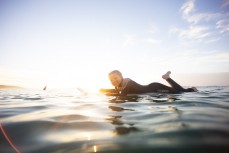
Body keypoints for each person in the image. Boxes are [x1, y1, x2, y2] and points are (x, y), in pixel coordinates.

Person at [100, 70, 197, 95]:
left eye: (115, 78)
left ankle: (192, 90)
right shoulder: (119, 86)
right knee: (178, 92)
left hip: (155, 88)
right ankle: (167, 78)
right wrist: (103, 90)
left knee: (179, 93)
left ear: (121, 77)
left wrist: (107, 94)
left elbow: (121, 95)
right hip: (153, 90)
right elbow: (116, 91)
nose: (113, 81)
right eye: (111, 80)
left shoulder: (127, 82)